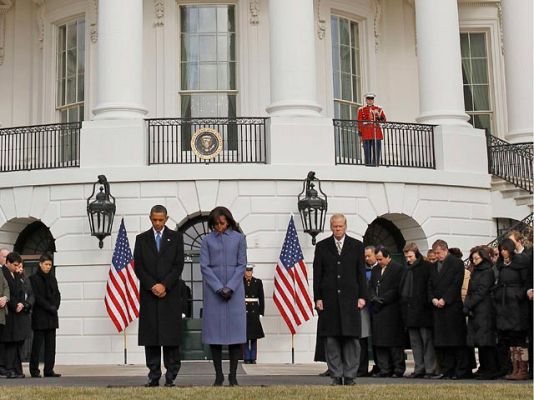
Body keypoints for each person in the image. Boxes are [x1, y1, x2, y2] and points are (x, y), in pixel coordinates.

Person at [313, 214, 368, 386]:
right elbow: (317, 275)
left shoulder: (357, 246)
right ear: (331, 227)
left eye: (340, 226)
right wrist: (318, 297)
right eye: (335, 226)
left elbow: (361, 274)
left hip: (351, 299)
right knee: (332, 340)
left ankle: (350, 375)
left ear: (345, 226)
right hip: (329, 300)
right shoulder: (322, 246)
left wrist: (362, 296)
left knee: (351, 340)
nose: (338, 229)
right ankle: (336, 375)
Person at [134, 205, 184, 387]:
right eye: (154, 219)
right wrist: (152, 285)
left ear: (166, 218)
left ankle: (171, 377)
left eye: (160, 220)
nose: (157, 223)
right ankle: (153, 376)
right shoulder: (141, 239)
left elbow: (178, 265)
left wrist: (164, 285)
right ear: (150, 218)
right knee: (151, 339)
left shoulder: (177, 238)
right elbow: (138, 266)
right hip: (149, 296)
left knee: (170, 340)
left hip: (169, 296)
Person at [200, 206, 247, 387]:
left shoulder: (239, 238)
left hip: (234, 293)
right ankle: (218, 375)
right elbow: (204, 266)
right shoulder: (206, 240)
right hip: (214, 293)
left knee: (235, 335)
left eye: (222, 223)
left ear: (228, 221)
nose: (219, 227)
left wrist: (231, 287)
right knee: (215, 336)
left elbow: (241, 265)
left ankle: (233, 375)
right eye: (216, 224)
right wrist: (219, 288)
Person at [428, 240, 470, 379]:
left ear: (445, 250)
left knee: (456, 341)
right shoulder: (433, 267)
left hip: (452, 307)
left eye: (439, 253)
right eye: (435, 253)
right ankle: (447, 369)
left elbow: (456, 284)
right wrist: (433, 298)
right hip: (438, 308)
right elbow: (429, 285)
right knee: (443, 342)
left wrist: (445, 299)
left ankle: (461, 370)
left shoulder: (456, 263)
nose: (437, 256)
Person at [493, 238, 530, 380]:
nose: (503, 252)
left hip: (517, 305)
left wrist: (517, 295)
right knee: (510, 338)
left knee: (519, 337)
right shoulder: (501, 265)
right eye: (501, 250)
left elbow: (525, 281)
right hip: (505, 304)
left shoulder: (520, 262)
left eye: (505, 249)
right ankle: (515, 368)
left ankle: (523, 369)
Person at [399, 243, 436, 379]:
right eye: (406, 257)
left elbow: (429, 287)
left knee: (426, 342)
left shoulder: (426, 267)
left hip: (423, 310)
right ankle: (419, 368)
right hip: (410, 311)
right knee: (415, 343)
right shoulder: (407, 269)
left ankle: (429, 369)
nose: (408, 259)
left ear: (416, 254)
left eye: (410, 256)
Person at [369, 245, 406, 378]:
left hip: (391, 310)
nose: (378, 262)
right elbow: (371, 286)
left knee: (394, 343)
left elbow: (397, 289)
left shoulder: (398, 269)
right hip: (377, 310)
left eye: (380, 259)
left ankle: (397, 369)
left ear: (388, 256)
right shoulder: (375, 270)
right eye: (377, 259)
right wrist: (373, 297)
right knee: (380, 343)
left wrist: (383, 299)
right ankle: (384, 369)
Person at [463, 247, 500, 380]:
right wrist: (467, 305)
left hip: (484, 309)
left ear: (483, 257)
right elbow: (470, 290)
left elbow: (481, 291)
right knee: (479, 341)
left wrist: (468, 304)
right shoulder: (475, 271)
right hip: (476, 310)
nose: (474, 261)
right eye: (473, 258)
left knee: (486, 341)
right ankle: (483, 367)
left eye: (476, 258)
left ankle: (490, 369)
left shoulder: (487, 272)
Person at [29, 253, 61, 378]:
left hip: (52, 316)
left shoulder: (53, 278)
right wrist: (49, 307)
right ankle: (34, 370)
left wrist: (55, 306)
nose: (48, 267)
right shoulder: (33, 279)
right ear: (40, 264)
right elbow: (37, 297)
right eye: (46, 264)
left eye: (50, 265)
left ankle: (49, 370)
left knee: (51, 345)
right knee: (37, 345)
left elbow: (57, 294)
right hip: (40, 316)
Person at [1, 252, 33, 378]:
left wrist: (22, 304)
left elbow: (22, 291)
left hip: (18, 313)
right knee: (10, 343)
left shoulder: (15, 274)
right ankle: (9, 369)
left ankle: (16, 369)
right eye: (15, 265)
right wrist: (15, 305)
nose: (17, 267)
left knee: (16, 343)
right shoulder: (3, 273)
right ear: (7, 262)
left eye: (18, 265)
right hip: (9, 313)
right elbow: (7, 292)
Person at [357, 246, 378, 377]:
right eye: (365, 256)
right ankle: (362, 368)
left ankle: (379, 366)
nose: (367, 258)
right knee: (362, 340)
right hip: (364, 310)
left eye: (369, 256)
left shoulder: (380, 269)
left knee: (377, 340)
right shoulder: (363, 270)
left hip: (377, 310)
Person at [243, 264, 264, 364]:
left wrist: (261, 312)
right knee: (245, 336)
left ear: (252, 271)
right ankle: (247, 357)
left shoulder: (258, 282)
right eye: (247, 271)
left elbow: (261, 298)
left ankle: (253, 357)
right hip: (244, 310)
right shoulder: (240, 281)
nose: (248, 273)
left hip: (254, 311)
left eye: (250, 271)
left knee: (254, 336)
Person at [357, 93, 386, 166]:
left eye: (371, 99)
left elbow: (384, 120)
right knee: (367, 150)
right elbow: (359, 122)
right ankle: (368, 164)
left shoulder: (379, 109)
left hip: (376, 131)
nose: (370, 101)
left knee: (376, 149)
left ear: (373, 100)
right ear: (366, 100)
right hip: (366, 131)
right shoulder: (361, 110)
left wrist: (378, 116)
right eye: (368, 99)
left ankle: (376, 164)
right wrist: (360, 134)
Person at [0, 248, 10, 377]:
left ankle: (1, 366)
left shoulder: (2, 271)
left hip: (1, 313)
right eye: (4, 256)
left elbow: (6, 287)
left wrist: (5, 298)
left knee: (1, 341)